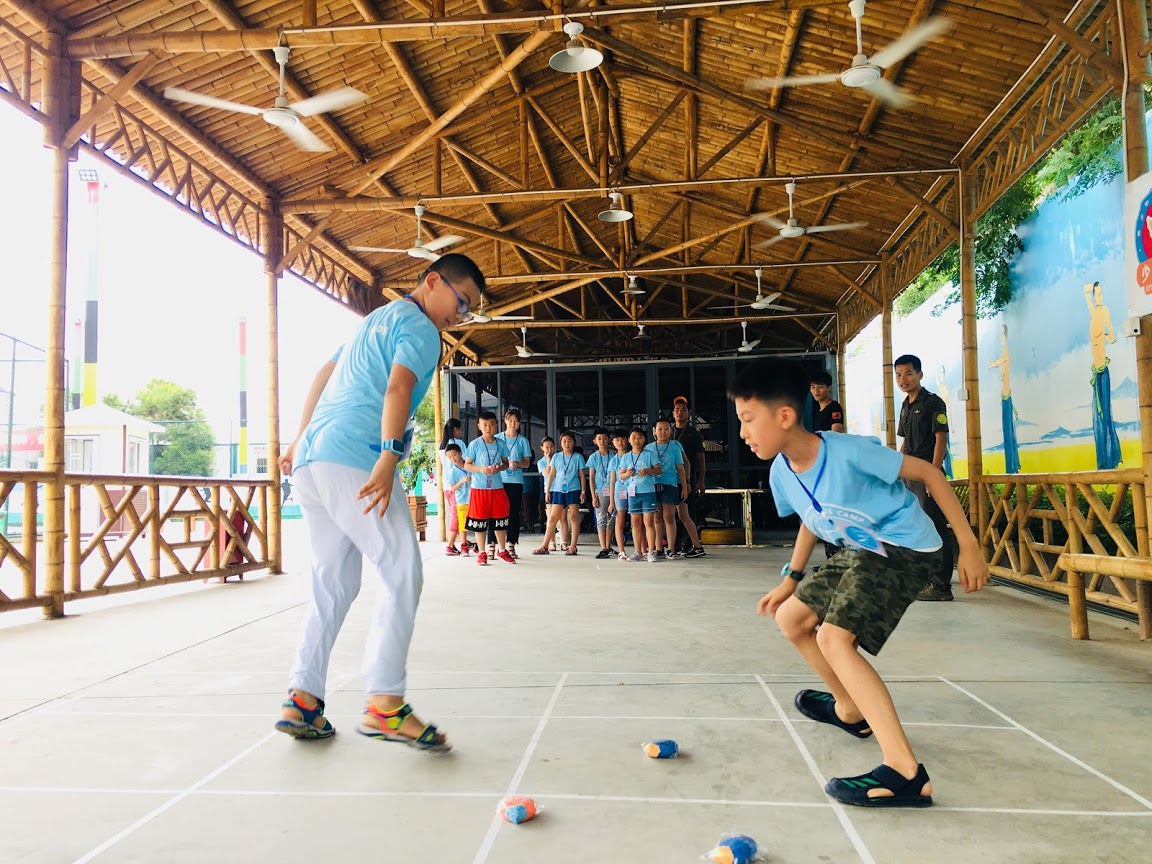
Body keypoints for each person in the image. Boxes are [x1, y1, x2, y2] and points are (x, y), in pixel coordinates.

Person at [733, 357, 988, 809]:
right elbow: (812, 518)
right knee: (793, 619)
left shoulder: (850, 451)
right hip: (861, 548)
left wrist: (968, 546)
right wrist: (791, 578)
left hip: (906, 546)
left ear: (785, 416)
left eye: (748, 420)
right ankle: (850, 711)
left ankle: (906, 772)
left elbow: (929, 473)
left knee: (835, 638)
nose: (743, 433)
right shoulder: (781, 471)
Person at [275, 253, 485, 751]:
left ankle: (302, 698)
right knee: (401, 568)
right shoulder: (422, 329)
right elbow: (399, 386)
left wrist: (297, 439)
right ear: (432, 282)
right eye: (462, 302)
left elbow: (322, 376)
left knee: (335, 582)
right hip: (355, 459)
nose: (462, 316)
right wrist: (389, 457)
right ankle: (385, 705)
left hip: (313, 461)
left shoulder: (373, 321)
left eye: (471, 311)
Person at [894, 354, 957, 602]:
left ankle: (942, 586)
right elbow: (906, 442)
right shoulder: (905, 405)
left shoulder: (933, 403)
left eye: (908, 373)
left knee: (935, 527)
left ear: (919, 374)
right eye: (898, 375)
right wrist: (895, 469)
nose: (903, 379)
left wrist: (933, 476)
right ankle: (924, 578)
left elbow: (941, 438)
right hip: (909, 473)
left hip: (926, 474)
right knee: (918, 528)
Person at [464, 410, 513, 566]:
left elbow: (506, 463)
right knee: (480, 521)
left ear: (496, 425)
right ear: (479, 426)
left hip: (497, 487)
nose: (488, 428)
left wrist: (499, 468)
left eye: (491, 424)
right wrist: (482, 469)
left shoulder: (501, 444)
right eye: (484, 425)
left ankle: (502, 550)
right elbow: (467, 465)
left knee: (500, 519)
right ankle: (482, 552)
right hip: (479, 488)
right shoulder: (475, 444)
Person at [1085, 282, 1122, 470]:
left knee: (1105, 415)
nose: (1099, 296)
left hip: (1103, 371)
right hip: (1096, 372)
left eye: (1100, 293)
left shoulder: (1104, 311)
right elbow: (1087, 299)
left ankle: (1111, 459)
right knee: (1097, 418)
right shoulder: (1094, 313)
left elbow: (1113, 336)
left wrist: (1104, 337)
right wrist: (1087, 290)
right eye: (1096, 294)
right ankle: (1103, 461)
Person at [809, 370, 845, 562]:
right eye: (813, 387)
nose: (816, 390)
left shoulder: (834, 408)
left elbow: (835, 435)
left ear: (829, 388)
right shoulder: (817, 409)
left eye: (820, 386)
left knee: (831, 512)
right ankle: (830, 560)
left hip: (830, 464)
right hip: (819, 464)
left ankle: (837, 560)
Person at [491, 408, 533, 558]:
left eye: (516, 421)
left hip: (515, 481)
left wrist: (517, 463)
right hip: (498, 481)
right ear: (505, 421)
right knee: (495, 513)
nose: (513, 423)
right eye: (510, 420)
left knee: (513, 514)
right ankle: (492, 544)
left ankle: (511, 544)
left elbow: (527, 463)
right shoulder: (497, 438)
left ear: (519, 423)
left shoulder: (522, 441)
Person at [647, 417, 690, 559]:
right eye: (660, 429)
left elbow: (681, 468)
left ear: (671, 431)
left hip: (670, 484)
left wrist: (684, 487)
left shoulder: (674, 447)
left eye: (666, 429)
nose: (663, 432)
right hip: (652, 486)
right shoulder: (648, 448)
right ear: (654, 431)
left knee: (669, 517)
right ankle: (658, 548)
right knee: (657, 518)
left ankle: (671, 549)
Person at [539, 430, 586, 555]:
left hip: (573, 489)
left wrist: (583, 491)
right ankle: (545, 545)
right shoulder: (556, 457)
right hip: (558, 490)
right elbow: (552, 474)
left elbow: (581, 475)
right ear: (561, 443)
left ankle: (573, 546)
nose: (567, 443)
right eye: (564, 441)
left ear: (574, 443)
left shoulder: (578, 457)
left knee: (574, 518)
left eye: (570, 441)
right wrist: (548, 490)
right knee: (553, 517)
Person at [670, 397, 707, 557]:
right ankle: (674, 544)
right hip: (670, 479)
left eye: (683, 409)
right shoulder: (668, 431)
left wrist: (700, 481)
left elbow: (700, 460)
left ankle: (688, 543)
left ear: (689, 413)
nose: (680, 412)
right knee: (671, 513)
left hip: (688, 478)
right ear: (673, 413)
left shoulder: (694, 434)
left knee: (688, 511)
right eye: (677, 409)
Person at [622, 426, 660, 562]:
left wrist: (648, 471)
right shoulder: (626, 457)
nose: (636, 440)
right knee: (635, 523)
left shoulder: (649, 454)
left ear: (644, 439)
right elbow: (621, 476)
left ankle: (651, 551)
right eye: (633, 437)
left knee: (649, 522)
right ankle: (638, 551)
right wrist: (627, 473)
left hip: (648, 492)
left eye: (639, 437)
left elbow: (658, 470)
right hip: (633, 493)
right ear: (629, 440)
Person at [986, 326, 1021, 474]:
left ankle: (1012, 465)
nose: (1001, 337)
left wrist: (989, 365)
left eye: (1002, 333)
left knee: (1009, 433)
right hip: (1004, 397)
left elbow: (996, 363)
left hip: (1007, 396)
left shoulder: (1005, 353)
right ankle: (1011, 466)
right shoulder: (1004, 352)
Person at [439, 418, 468, 554]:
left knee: (455, 514)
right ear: (456, 429)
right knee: (458, 516)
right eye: (460, 429)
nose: (461, 432)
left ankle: (460, 543)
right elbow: (467, 460)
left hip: (447, 484)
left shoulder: (442, 444)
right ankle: (450, 545)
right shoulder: (458, 443)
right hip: (458, 485)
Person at [586, 427, 615, 559]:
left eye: (604, 438)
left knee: (612, 518)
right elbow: (591, 478)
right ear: (594, 441)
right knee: (601, 518)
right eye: (599, 439)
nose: (602, 441)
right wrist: (593, 496)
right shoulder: (593, 457)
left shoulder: (614, 455)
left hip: (614, 491)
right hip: (600, 492)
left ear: (609, 440)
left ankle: (608, 546)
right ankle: (603, 547)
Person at [443, 443, 472, 557]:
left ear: (460, 453)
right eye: (449, 457)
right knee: (462, 524)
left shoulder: (470, 465)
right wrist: (462, 481)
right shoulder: (453, 471)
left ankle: (478, 546)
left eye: (454, 455)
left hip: (473, 498)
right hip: (462, 500)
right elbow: (453, 488)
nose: (452, 459)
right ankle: (464, 545)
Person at [608, 430, 632, 560]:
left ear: (627, 440)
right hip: (619, 492)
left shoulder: (633, 456)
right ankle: (621, 551)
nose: (620, 442)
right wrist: (612, 502)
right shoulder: (613, 461)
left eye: (622, 439)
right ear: (613, 442)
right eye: (616, 440)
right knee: (619, 520)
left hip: (635, 490)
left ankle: (641, 549)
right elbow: (612, 481)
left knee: (637, 520)